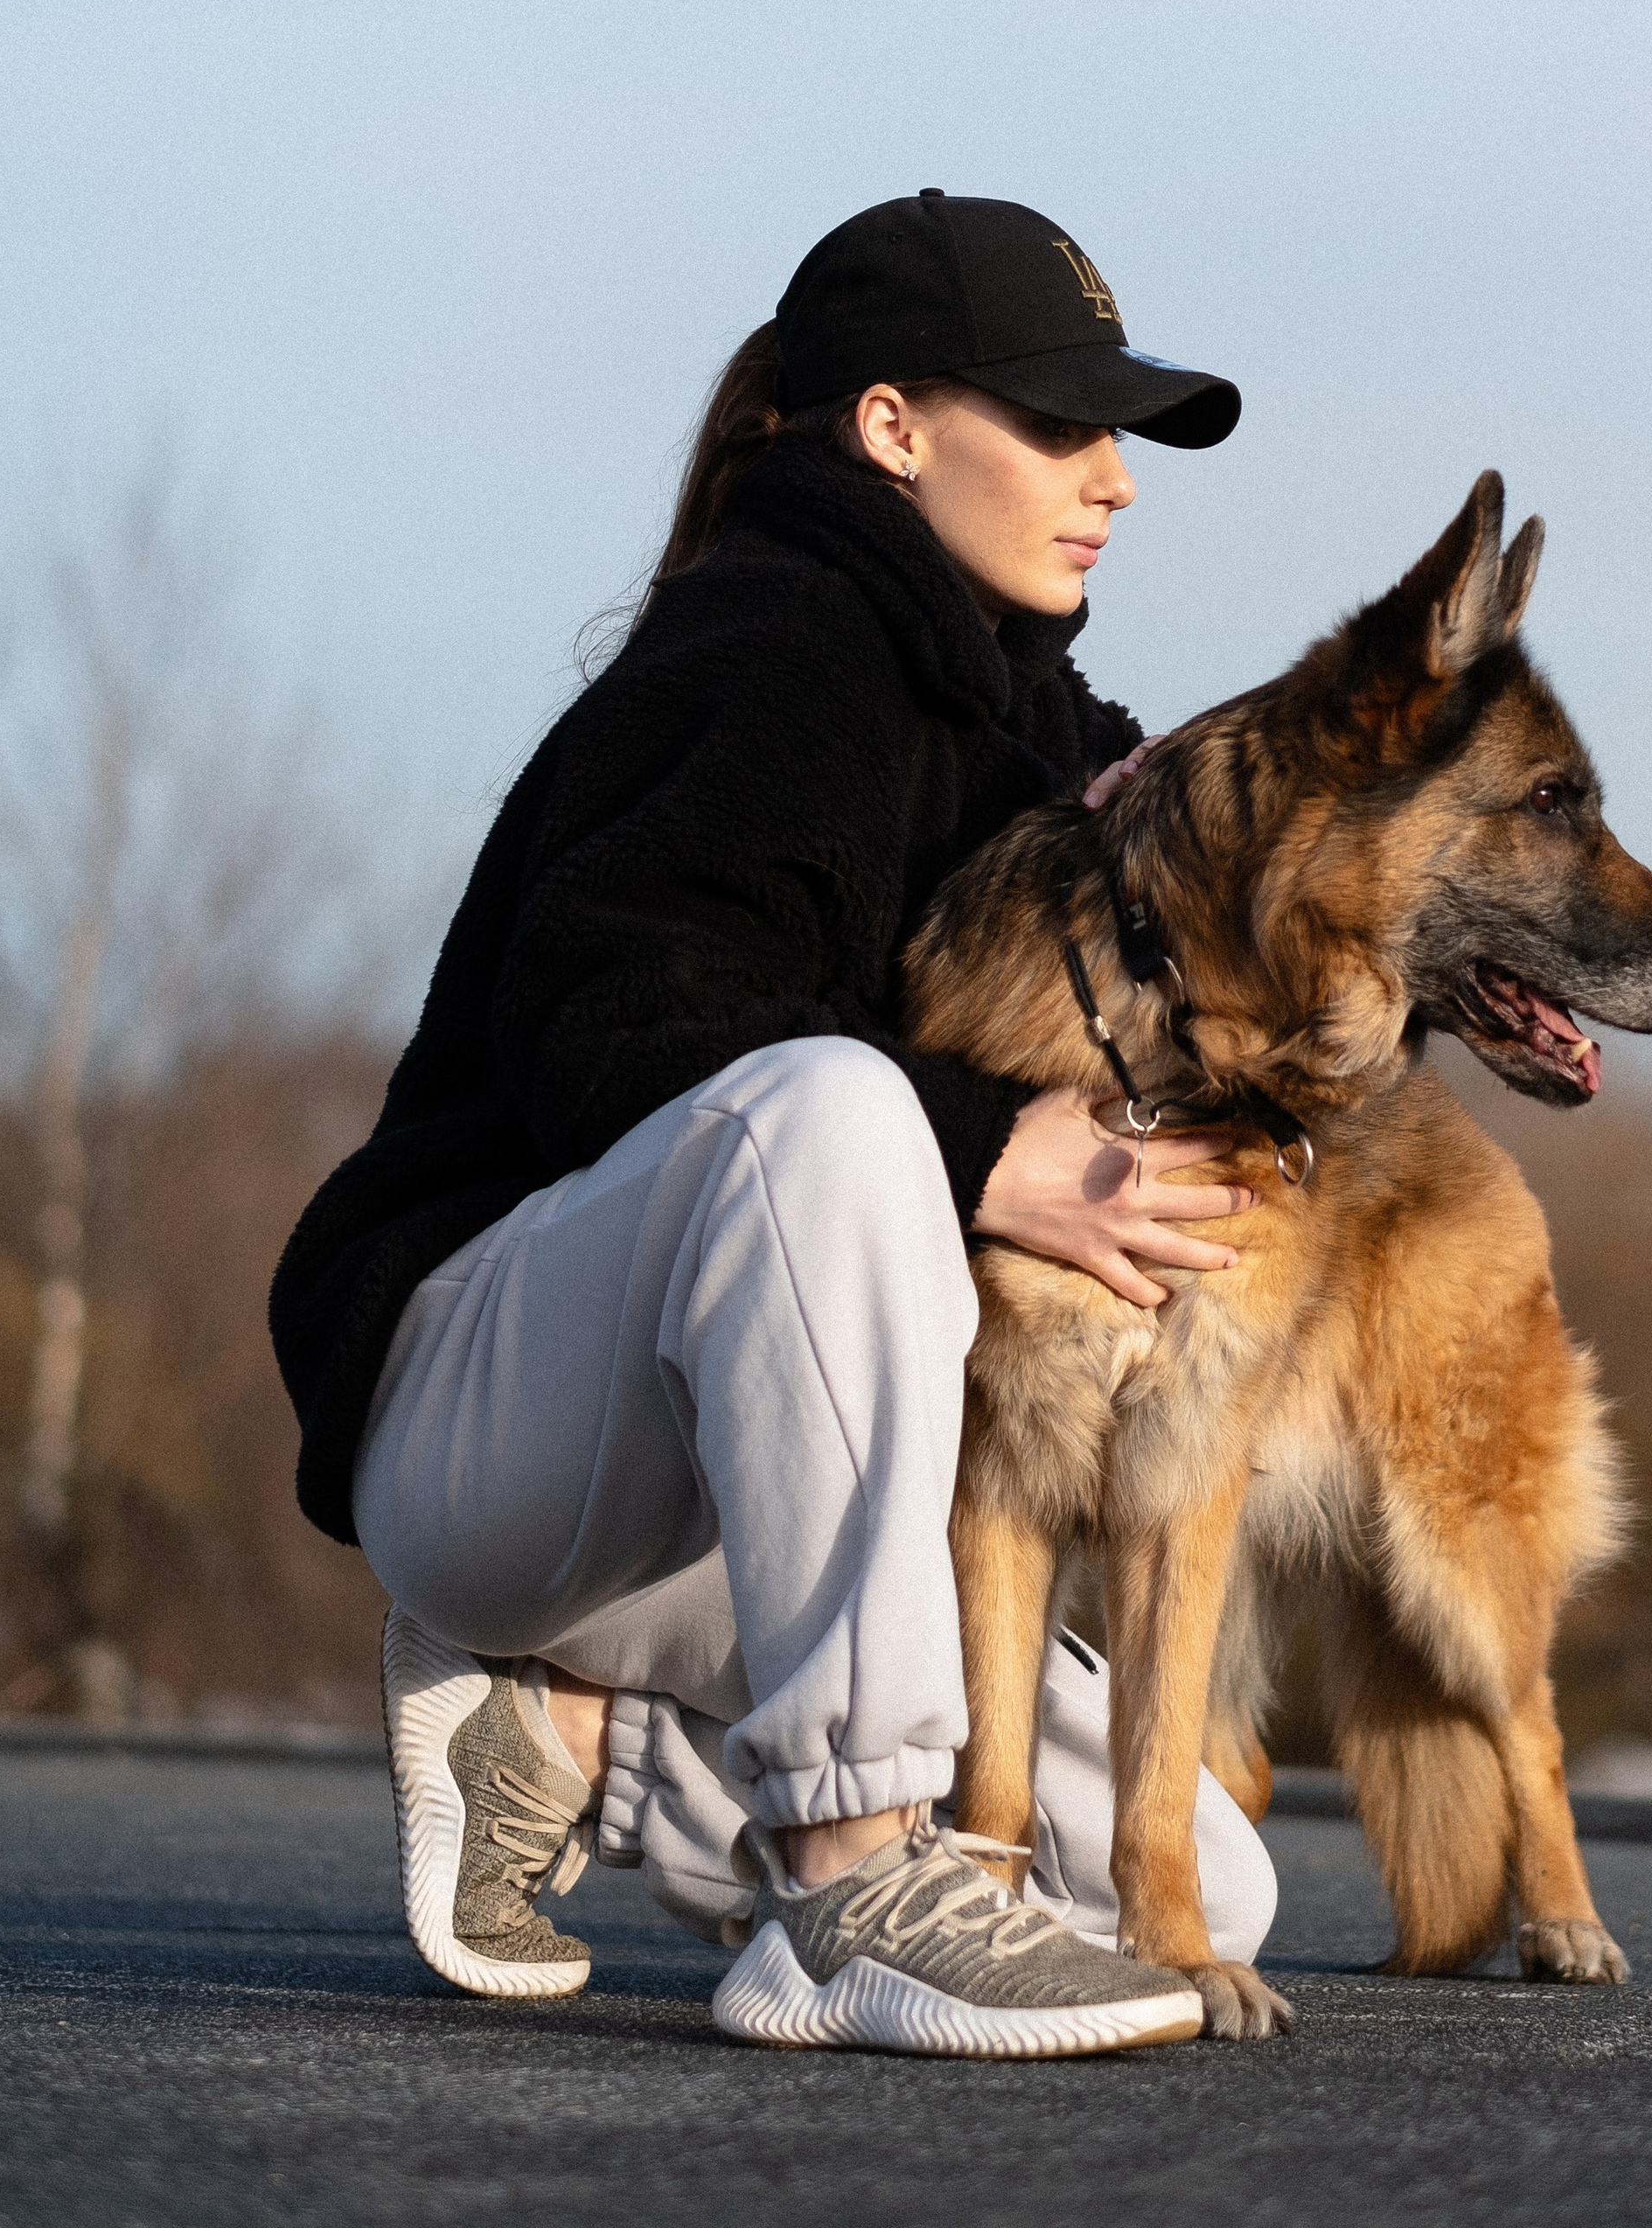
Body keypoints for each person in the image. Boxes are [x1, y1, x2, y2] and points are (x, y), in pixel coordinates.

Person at [270, 188, 1277, 2057]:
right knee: (826, 1111)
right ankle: (838, 1889)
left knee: (1204, 1896)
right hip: (488, 1412)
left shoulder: (1024, 717)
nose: (1111, 478)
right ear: (891, 427)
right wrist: (990, 1146)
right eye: (1058, 425)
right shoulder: (774, 645)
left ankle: (595, 1717)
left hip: (701, 1516)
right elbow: (618, 1027)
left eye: (1115, 435)